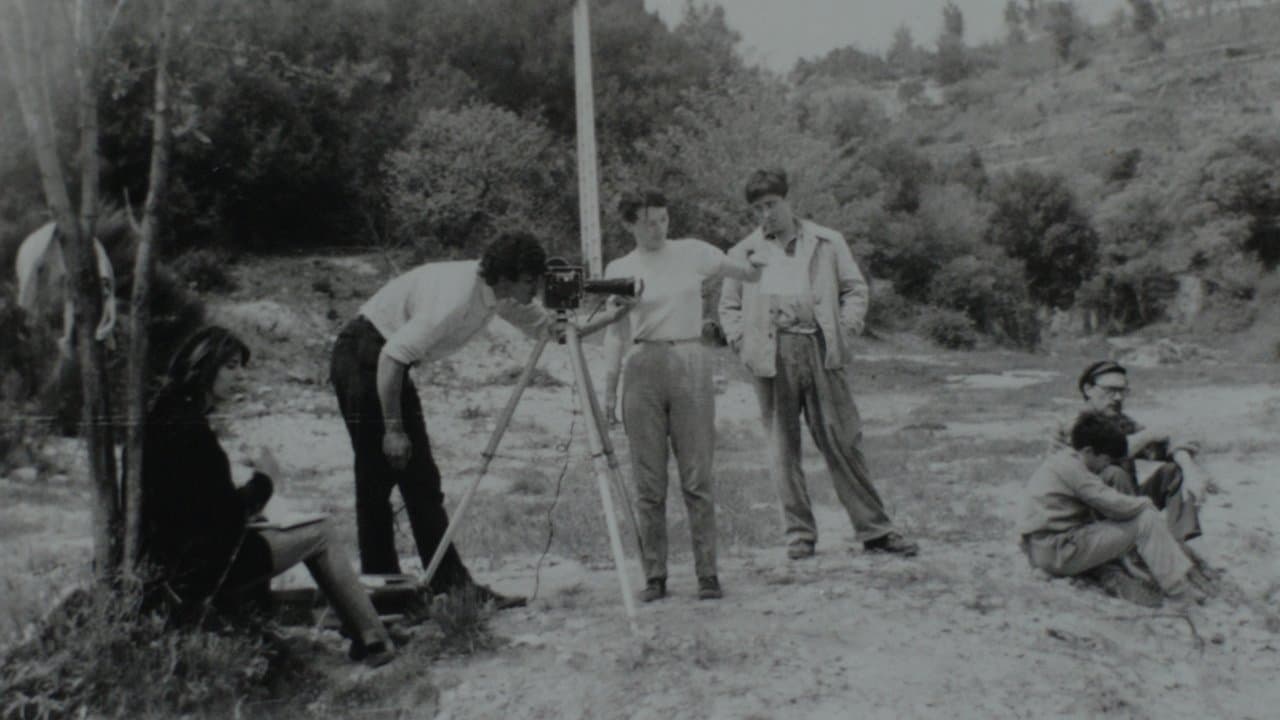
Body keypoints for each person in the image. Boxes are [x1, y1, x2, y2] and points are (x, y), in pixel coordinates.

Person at [331, 232, 615, 608]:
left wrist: (617, 312)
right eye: (531, 280)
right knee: (376, 480)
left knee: (422, 481)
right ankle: (383, 598)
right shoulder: (457, 296)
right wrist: (394, 429)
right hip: (365, 356)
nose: (538, 287)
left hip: (386, 362)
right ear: (507, 276)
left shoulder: (498, 294)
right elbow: (392, 357)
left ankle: (451, 587)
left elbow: (552, 331)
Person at [137, 326, 395, 667]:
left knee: (292, 530)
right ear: (203, 365)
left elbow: (198, 507)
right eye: (230, 366)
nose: (239, 376)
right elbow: (226, 518)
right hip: (206, 567)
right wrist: (265, 480)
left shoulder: (167, 415)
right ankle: (375, 642)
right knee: (322, 532)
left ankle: (351, 625)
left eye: (240, 367)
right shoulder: (190, 431)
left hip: (175, 560)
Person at [719, 168, 918, 560]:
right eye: (758, 208)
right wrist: (743, 343)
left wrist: (844, 329)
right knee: (782, 447)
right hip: (772, 356)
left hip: (820, 348)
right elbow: (729, 306)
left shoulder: (827, 242)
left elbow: (855, 289)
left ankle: (875, 530)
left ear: (788, 200)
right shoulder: (744, 253)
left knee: (843, 440)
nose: (766, 214)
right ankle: (799, 535)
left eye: (772, 204)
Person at [600, 190, 766, 602]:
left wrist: (763, 244)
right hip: (641, 366)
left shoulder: (692, 251)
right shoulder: (619, 267)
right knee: (649, 481)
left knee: (697, 475)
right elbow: (615, 332)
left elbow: (747, 271)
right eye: (646, 221)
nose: (656, 229)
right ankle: (654, 575)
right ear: (629, 224)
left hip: (690, 360)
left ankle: (707, 573)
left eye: (662, 219)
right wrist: (608, 389)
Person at [1019, 411, 1216, 604]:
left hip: (1046, 547)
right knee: (1145, 520)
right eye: (1105, 458)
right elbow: (1114, 505)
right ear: (1088, 451)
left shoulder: (1066, 459)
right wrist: (1145, 503)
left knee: (1125, 492)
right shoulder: (1073, 470)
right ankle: (1179, 592)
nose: (1107, 463)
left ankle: (1159, 571)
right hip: (1057, 551)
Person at [1063, 360, 1210, 545]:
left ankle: (1177, 544)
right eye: (1110, 390)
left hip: (1127, 503)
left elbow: (1167, 445)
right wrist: (1147, 436)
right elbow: (1104, 456)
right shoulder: (1075, 425)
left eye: (1122, 391)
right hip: (1088, 511)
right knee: (1114, 473)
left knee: (1173, 472)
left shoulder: (1122, 422)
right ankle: (1131, 544)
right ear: (1088, 390)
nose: (1117, 398)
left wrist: (1190, 470)